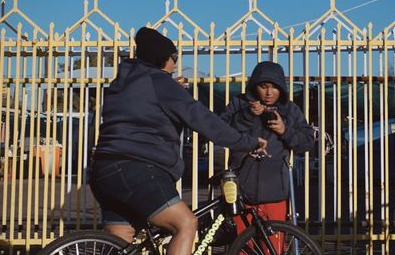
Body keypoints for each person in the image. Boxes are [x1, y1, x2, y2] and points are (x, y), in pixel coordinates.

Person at [89, 27, 267, 255]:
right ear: (164, 59)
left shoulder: (121, 84)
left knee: (122, 243)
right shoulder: (161, 83)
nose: (175, 64)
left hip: (103, 171)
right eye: (175, 58)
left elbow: (142, 113)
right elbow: (206, 122)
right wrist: (248, 142)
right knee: (186, 224)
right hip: (137, 170)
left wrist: (171, 91)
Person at [220, 61, 314, 251]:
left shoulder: (290, 109)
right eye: (264, 87)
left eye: (274, 87)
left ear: (282, 88)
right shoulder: (239, 103)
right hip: (240, 193)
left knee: (272, 247)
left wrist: (284, 130)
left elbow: (307, 142)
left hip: (275, 194)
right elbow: (220, 132)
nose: (269, 93)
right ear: (255, 86)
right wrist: (247, 115)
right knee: (242, 248)